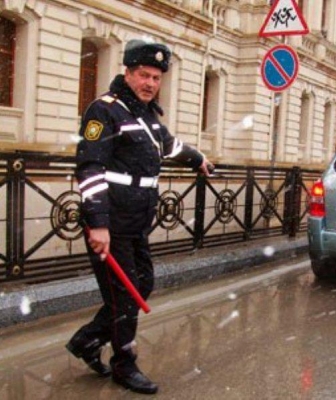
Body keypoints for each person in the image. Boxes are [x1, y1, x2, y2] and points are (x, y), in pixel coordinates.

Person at [66, 38, 213, 395]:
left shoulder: (145, 115)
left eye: (156, 77)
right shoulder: (104, 110)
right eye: (144, 75)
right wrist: (98, 223)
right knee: (125, 295)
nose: (150, 83)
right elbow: (90, 168)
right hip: (111, 221)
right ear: (128, 73)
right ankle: (124, 363)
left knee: (141, 284)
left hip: (136, 220)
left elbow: (168, 144)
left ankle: (87, 340)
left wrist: (198, 159)